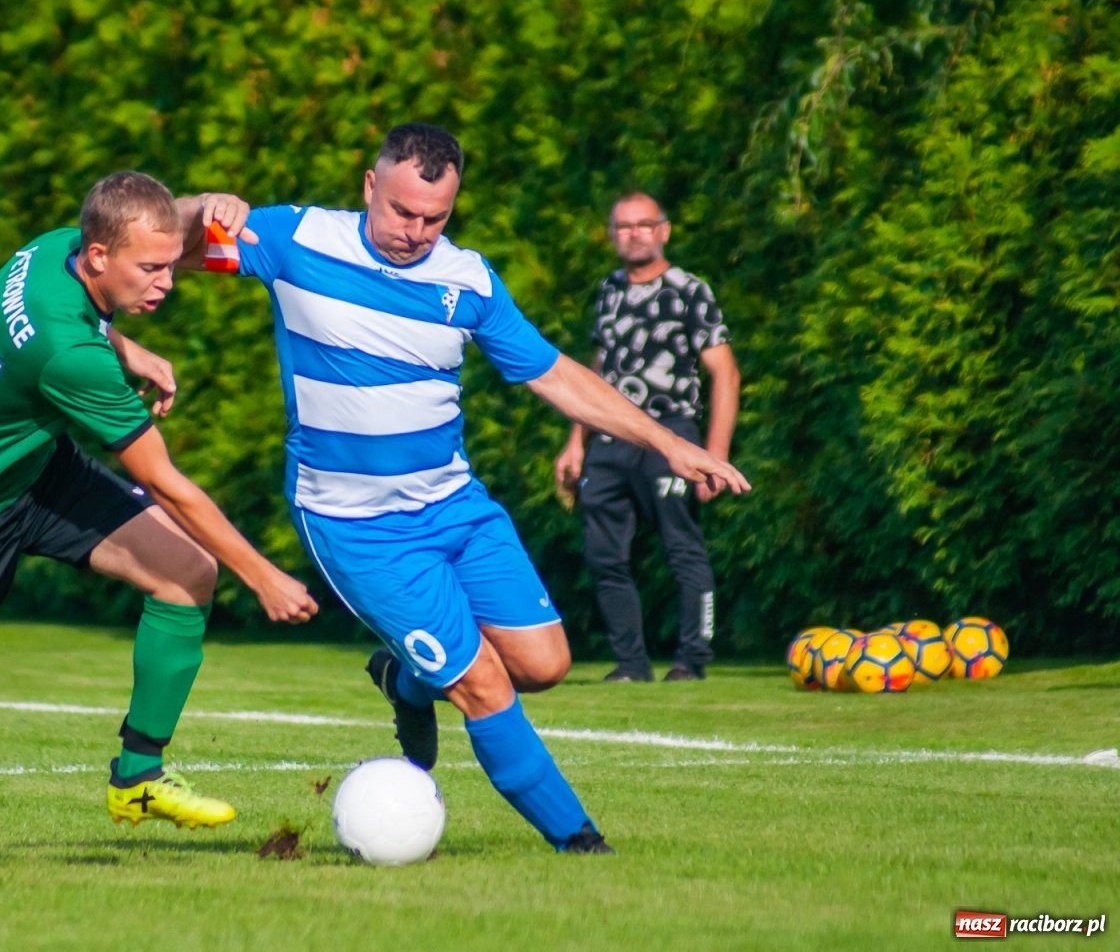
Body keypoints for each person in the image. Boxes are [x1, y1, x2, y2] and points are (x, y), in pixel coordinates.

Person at [183, 124, 749, 854]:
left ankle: (407, 680)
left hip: (456, 508)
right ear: (369, 186)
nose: (415, 231)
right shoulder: (294, 239)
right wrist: (207, 205)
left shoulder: (469, 280)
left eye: (435, 218)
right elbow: (158, 244)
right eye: (401, 211)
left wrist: (673, 443)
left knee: (545, 666)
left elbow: (559, 376)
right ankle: (580, 842)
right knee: (484, 682)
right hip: (359, 525)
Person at [0, 171, 318, 871]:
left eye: (171, 266)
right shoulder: (67, 352)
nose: (167, 282)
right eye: (151, 269)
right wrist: (264, 577)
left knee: (186, 575)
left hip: (33, 472)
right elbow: (169, 484)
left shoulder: (57, 247)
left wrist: (208, 210)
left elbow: (160, 226)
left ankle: (138, 777)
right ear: (101, 256)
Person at [553, 192, 741, 683]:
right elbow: (596, 373)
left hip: (673, 433)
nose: (634, 234)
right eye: (623, 226)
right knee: (603, 554)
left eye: (643, 225)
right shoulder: (609, 290)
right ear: (612, 233)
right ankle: (631, 664)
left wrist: (713, 454)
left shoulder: (688, 290)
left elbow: (724, 372)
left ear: (664, 230)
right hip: (612, 440)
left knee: (683, 546)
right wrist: (577, 442)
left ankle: (692, 661)